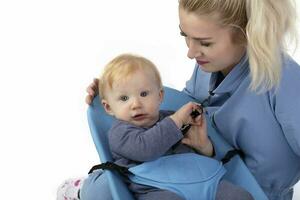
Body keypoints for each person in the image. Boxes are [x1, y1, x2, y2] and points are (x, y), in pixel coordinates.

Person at [64, 0, 300, 199]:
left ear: (247, 33)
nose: (190, 52)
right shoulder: (207, 68)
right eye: (185, 36)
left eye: (205, 43)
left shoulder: (285, 80)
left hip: (243, 191)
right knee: (105, 186)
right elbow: (181, 108)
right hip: (190, 174)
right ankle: (80, 191)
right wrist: (115, 92)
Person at [57, 53, 254, 200]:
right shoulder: (120, 132)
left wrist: (204, 146)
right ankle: (80, 191)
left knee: (239, 196)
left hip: (203, 182)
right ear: (108, 107)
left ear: (160, 96)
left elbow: (202, 157)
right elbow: (146, 148)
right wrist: (177, 121)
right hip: (156, 189)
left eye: (144, 94)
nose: (136, 104)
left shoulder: (174, 119)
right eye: (124, 98)